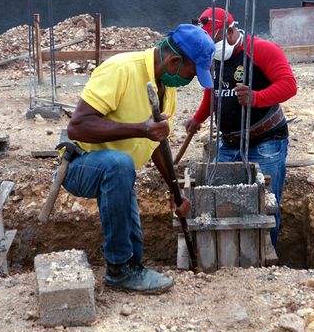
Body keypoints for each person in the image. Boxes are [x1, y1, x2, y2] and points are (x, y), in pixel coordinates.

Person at [63, 24, 215, 293]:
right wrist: (140, 128)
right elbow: (77, 126)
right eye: (191, 75)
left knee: (122, 174)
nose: (189, 81)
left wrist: (175, 192)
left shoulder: (167, 91)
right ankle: (119, 270)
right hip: (79, 165)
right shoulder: (121, 69)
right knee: (120, 165)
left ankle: (133, 267)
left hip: (117, 173)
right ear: (174, 61)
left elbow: (157, 143)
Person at [185, 7, 297, 247]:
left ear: (230, 30)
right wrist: (198, 118)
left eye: (213, 38)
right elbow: (212, 93)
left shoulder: (262, 50)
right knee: (224, 202)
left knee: (266, 204)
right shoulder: (212, 57)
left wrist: (256, 98)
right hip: (229, 143)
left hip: (265, 141)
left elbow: (288, 85)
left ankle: (267, 256)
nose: (210, 45)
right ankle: (232, 256)